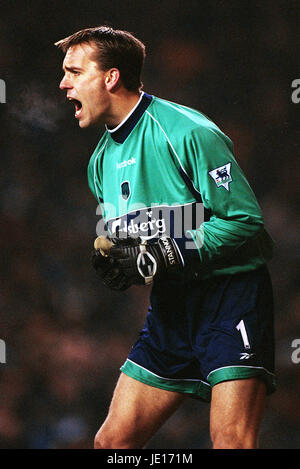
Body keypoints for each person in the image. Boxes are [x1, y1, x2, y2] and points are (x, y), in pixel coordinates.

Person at [56, 26, 276, 449]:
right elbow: (136, 242)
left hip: (231, 300)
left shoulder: (188, 132)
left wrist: (170, 251)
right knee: (112, 444)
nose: (63, 84)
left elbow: (246, 222)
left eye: (74, 72)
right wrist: (118, 262)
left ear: (110, 77)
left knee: (231, 441)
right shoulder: (99, 162)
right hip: (171, 309)